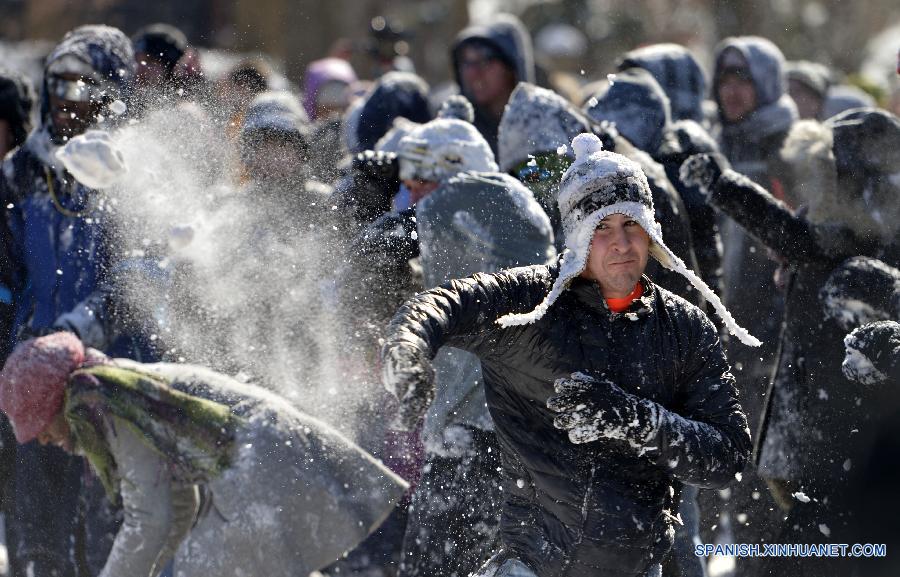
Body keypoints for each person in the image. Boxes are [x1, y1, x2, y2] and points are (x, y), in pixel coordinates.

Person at [381, 132, 755, 577]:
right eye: (602, 227)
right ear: (576, 235)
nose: (621, 243)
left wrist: (634, 420)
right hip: (532, 564)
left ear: (652, 233)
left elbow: (729, 456)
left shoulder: (684, 327)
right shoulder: (529, 307)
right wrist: (408, 353)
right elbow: (438, 305)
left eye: (632, 225)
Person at [680, 107, 900, 576]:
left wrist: (725, 186)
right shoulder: (843, 214)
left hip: (848, 438)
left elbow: (802, 240)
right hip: (819, 426)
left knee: (815, 553)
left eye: (832, 164)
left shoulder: (876, 221)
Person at [0, 331, 406, 577]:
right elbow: (174, 507)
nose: (41, 440)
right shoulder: (110, 391)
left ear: (58, 403)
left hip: (255, 465)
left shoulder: (104, 400)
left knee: (207, 568)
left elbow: (148, 519)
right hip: (261, 457)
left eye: (40, 426)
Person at [0, 25, 155, 577]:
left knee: (114, 524)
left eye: (84, 88)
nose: (69, 103)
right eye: (58, 87)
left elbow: (142, 275)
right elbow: (7, 270)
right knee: (38, 530)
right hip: (36, 365)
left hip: (113, 369)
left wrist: (85, 325)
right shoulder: (21, 172)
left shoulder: (138, 173)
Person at [451, 14, 535, 154]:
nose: (472, 73)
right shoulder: (455, 133)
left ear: (511, 67)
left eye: (484, 60)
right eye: (466, 62)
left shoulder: (544, 128)